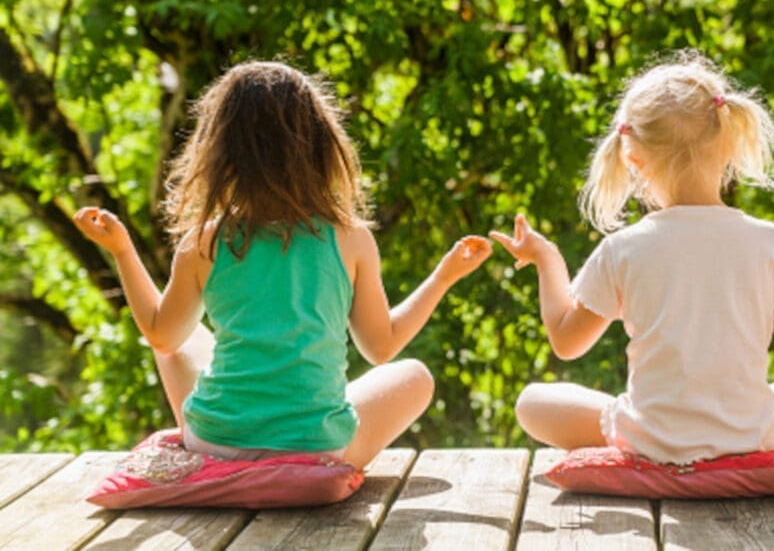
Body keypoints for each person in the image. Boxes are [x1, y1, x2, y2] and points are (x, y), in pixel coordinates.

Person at [74, 61, 491, 469]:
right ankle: (298, 423)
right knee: (414, 376)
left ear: (220, 153)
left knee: (178, 343)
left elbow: (161, 336)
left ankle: (220, 443)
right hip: (319, 452)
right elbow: (381, 347)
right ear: (322, 148)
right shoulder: (350, 238)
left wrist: (123, 251)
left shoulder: (204, 241)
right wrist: (443, 276)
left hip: (216, 444)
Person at [490, 50, 774, 465]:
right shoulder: (770, 241)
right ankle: (729, 439)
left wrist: (546, 257)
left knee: (532, 402)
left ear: (632, 158)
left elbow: (565, 340)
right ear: (730, 140)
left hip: (650, 444)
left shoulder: (623, 248)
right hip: (748, 438)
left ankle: (656, 441)